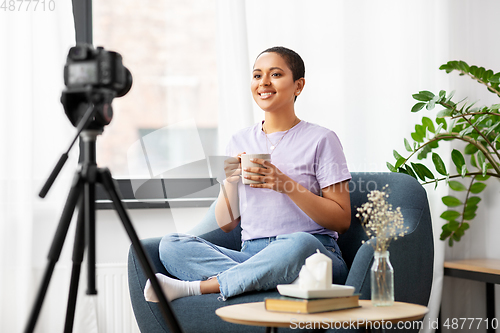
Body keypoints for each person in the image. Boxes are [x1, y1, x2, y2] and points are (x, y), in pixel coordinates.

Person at [144, 46, 351, 302]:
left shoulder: (322, 139)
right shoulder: (239, 140)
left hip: (314, 255)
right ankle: (263, 280)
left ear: (298, 86)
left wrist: (284, 183)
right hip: (251, 254)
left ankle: (201, 287)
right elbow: (227, 223)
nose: (263, 82)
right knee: (171, 245)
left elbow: (341, 220)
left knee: (301, 243)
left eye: (275, 74)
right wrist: (231, 181)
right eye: (257, 75)